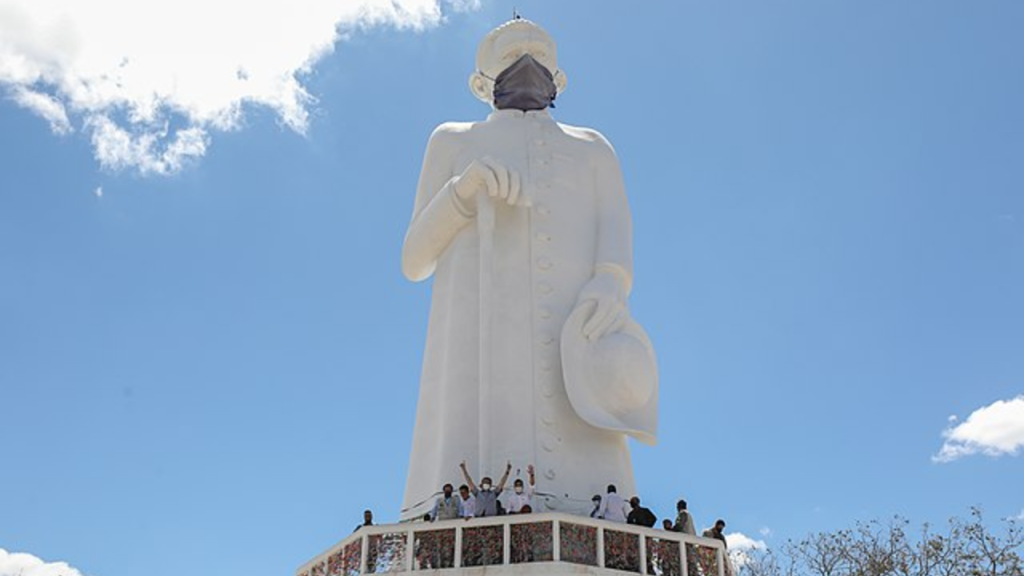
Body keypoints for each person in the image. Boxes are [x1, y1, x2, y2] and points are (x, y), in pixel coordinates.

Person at [400, 17, 659, 521]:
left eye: (539, 51)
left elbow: (616, 227)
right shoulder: (453, 141)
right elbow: (414, 259)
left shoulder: (593, 147)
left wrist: (610, 281)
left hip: (577, 330)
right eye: (509, 52)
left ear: (560, 78)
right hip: (478, 335)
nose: (527, 58)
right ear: (479, 83)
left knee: (588, 432)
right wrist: (462, 192)